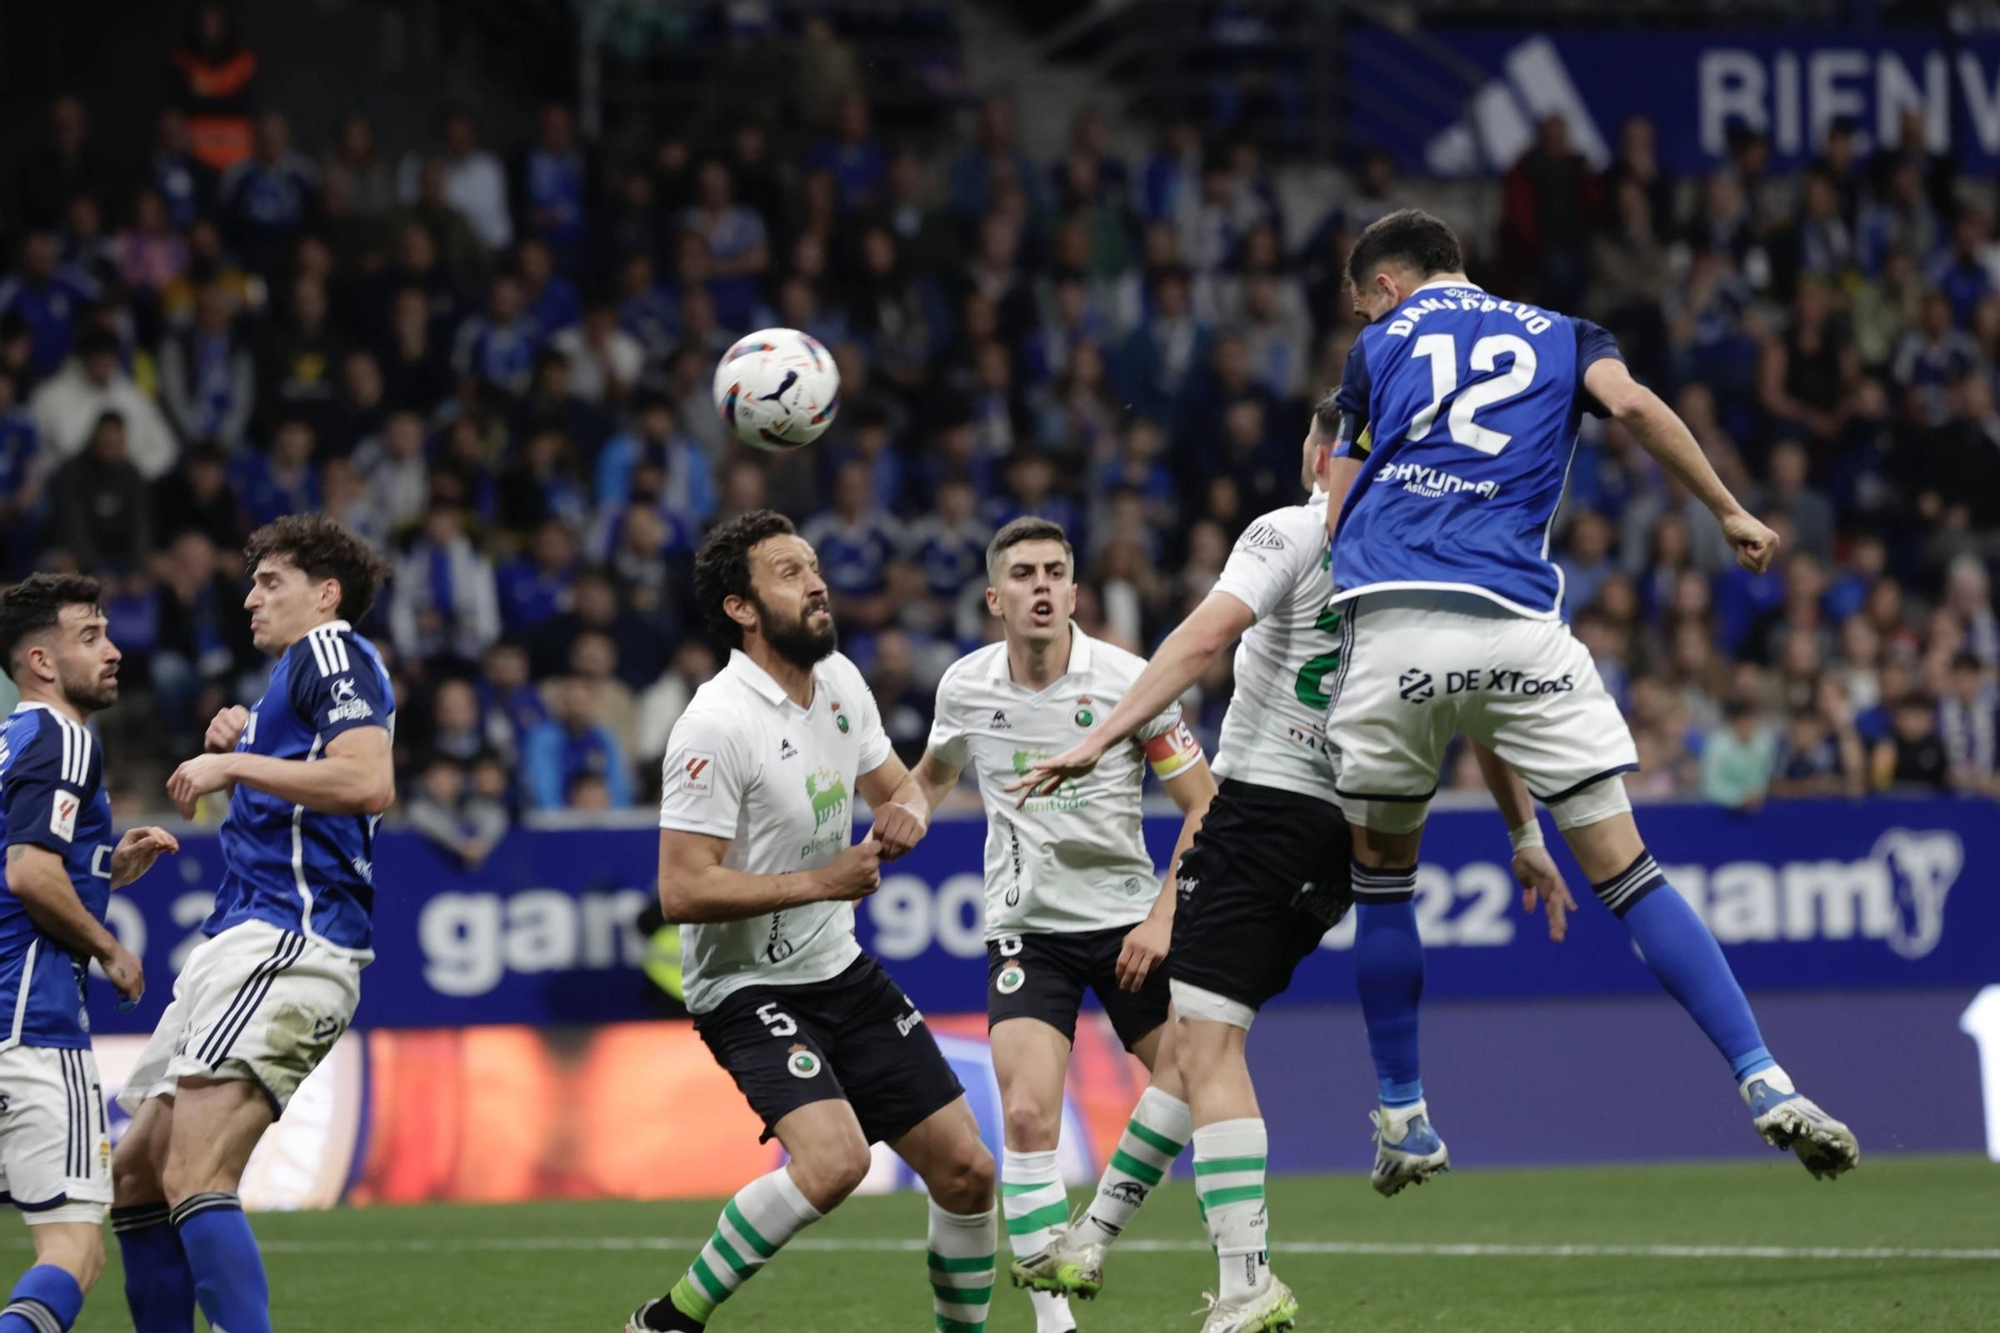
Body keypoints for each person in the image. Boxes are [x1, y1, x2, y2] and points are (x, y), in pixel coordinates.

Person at [1318, 211, 1855, 1185]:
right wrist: (1726, 508)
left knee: (1383, 879)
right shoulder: (1565, 333)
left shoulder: (1374, 345)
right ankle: (1764, 1077)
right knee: (1628, 870)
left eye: (1362, 297)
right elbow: (1639, 410)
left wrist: (1336, 566)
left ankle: (1401, 1113)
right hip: (1517, 624)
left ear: (1386, 288)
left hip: (1392, 623)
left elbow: (1338, 495)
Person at [1014, 407, 1564, 1333]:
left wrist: (1103, 735)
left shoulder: (1293, 529)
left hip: (1263, 807)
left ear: (1317, 453)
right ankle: (1095, 1233)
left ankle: (1247, 1282)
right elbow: (1471, 705)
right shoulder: (1426, 561)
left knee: (1211, 1049)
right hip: (1350, 835)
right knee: (1195, 1044)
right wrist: (1524, 830)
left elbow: (1200, 642)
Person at [627, 510, 994, 1333]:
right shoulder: (715, 724)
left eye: (815, 565)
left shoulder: (841, 686)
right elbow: (682, 891)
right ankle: (668, 1320)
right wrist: (822, 880)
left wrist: (908, 813)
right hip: (743, 982)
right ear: (741, 608)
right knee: (835, 1161)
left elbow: (902, 789)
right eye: (789, 572)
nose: (816, 581)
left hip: (839, 969)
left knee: (969, 1170)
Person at [905, 518, 1218, 1333]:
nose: (1040, 585)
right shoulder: (966, 686)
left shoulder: (1131, 679)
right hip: (1027, 930)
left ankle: (1102, 1229)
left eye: (1054, 572)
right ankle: (1055, 1320)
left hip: (1127, 925)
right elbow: (929, 780)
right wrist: (891, 819)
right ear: (994, 597)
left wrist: (1161, 915)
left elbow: (1205, 808)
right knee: (1026, 1118)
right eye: (1023, 573)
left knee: (1202, 1084)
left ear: (1075, 592)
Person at [111, 515, 395, 1333]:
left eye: (271, 581)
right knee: (135, 1168)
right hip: (239, 938)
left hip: (288, 940)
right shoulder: (283, 691)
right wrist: (254, 737)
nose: (249, 599)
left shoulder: (331, 651)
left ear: (326, 594)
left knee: (196, 1170)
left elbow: (368, 779)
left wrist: (233, 761)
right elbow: (314, 782)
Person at [0, 574, 178, 1333]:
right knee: (75, 1250)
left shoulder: (8, 742)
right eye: (89, 637)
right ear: (41, 660)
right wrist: (111, 948)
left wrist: (103, 868)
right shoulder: (65, 737)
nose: (112, 652)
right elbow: (28, 873)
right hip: (32, 1029)